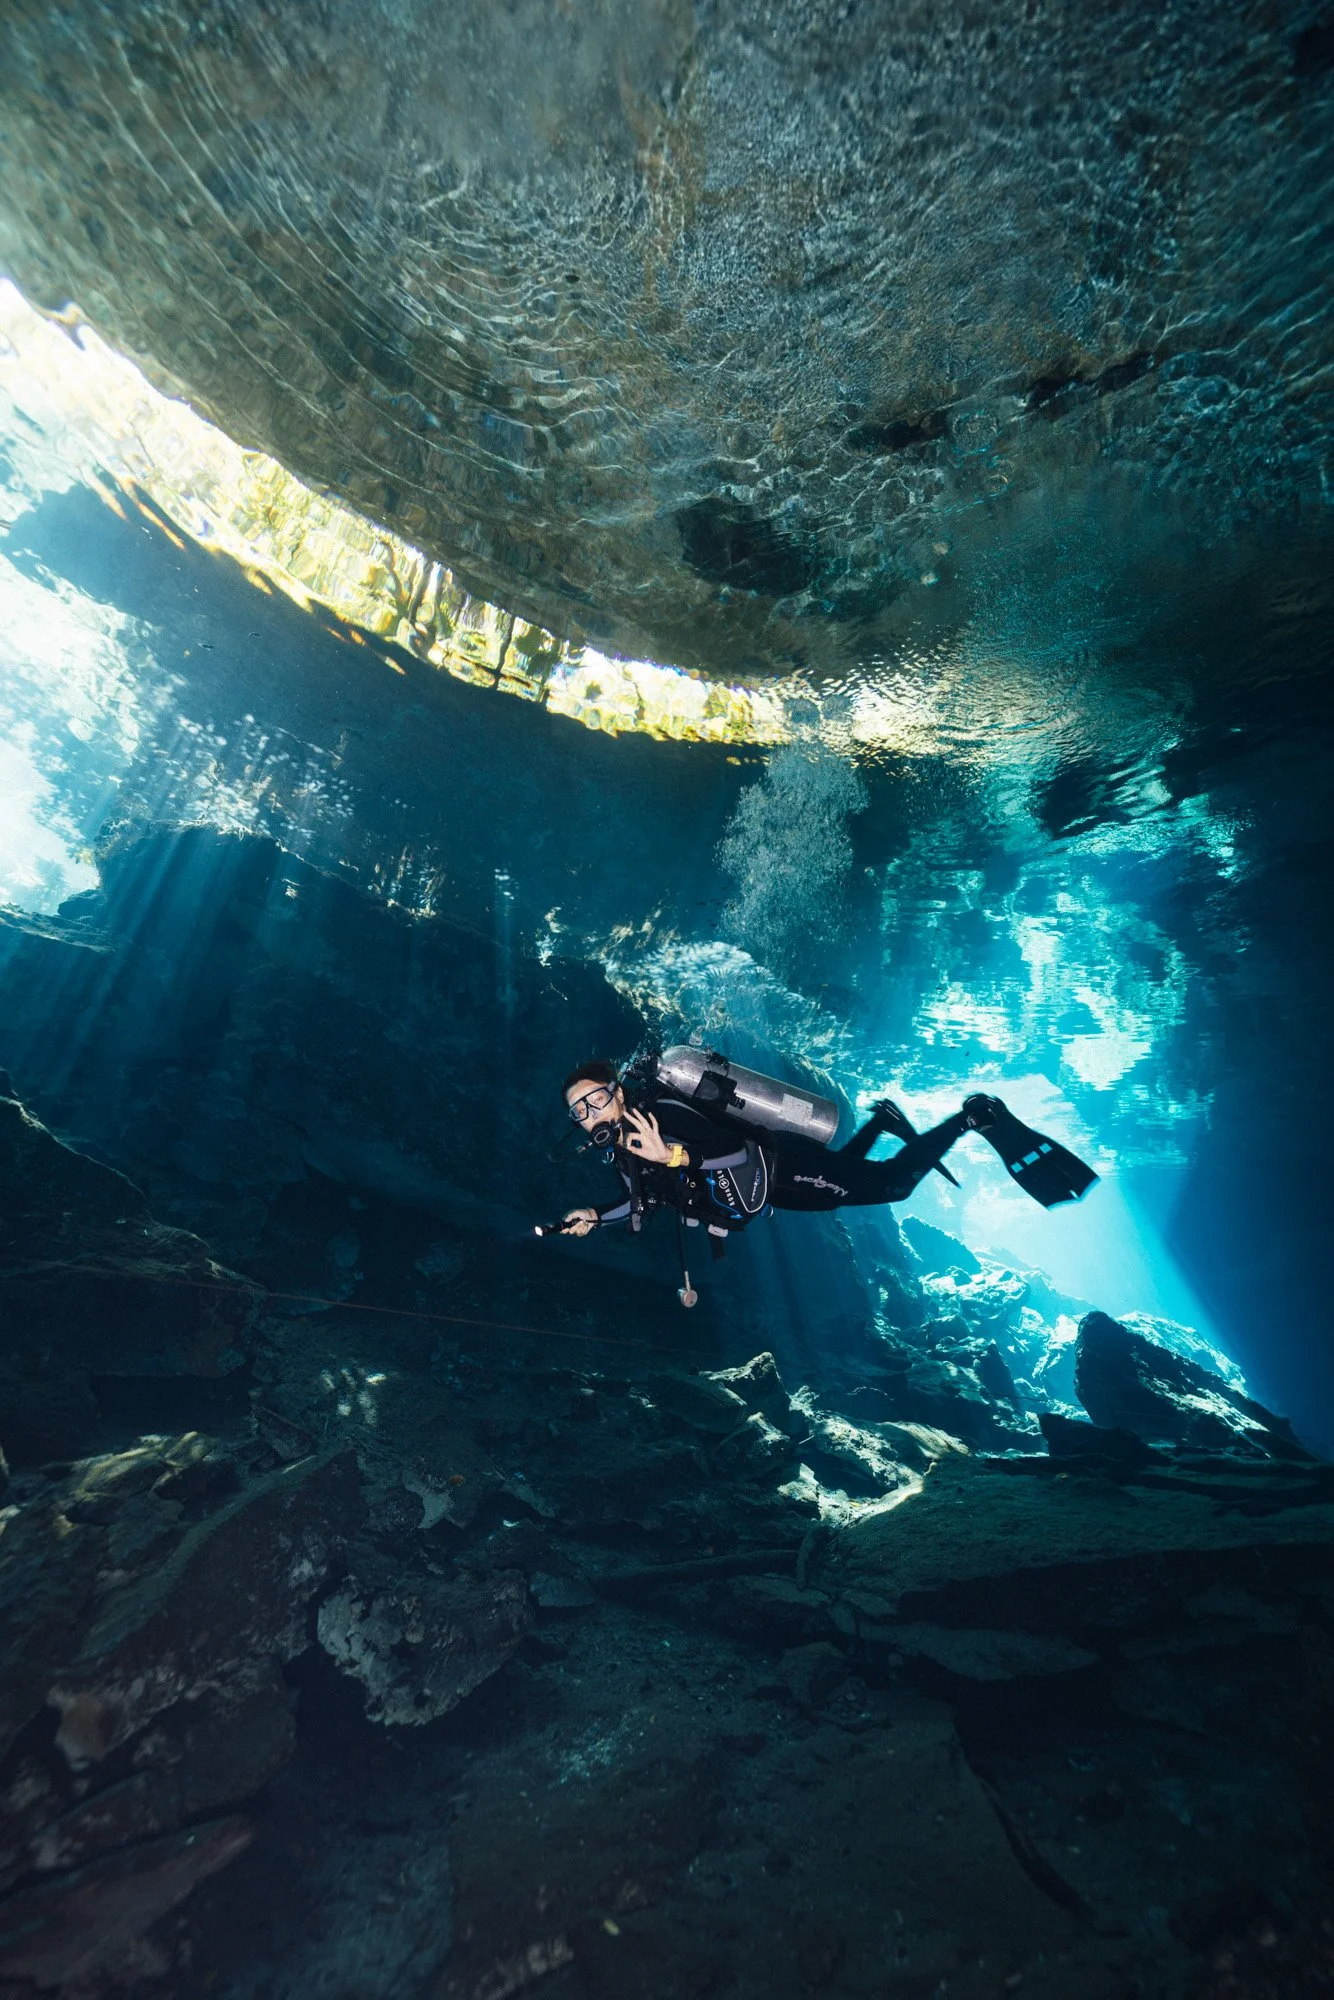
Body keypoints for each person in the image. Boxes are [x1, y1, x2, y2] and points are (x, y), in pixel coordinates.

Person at [557, 1057, 1096, 1243]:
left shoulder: (661, 1118)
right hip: (772, 1190)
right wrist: (594, 1215)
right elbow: (641, 1202)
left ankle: (971, 1116)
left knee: (892, 1186)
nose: (590, 1115)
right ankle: (882, 1121)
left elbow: (730, 1148)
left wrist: (673, 1158)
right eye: (579, 1111)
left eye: (596, 1099)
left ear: (618, 1092)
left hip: (783, 1165)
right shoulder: (627, 1147)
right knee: (844, 1188)